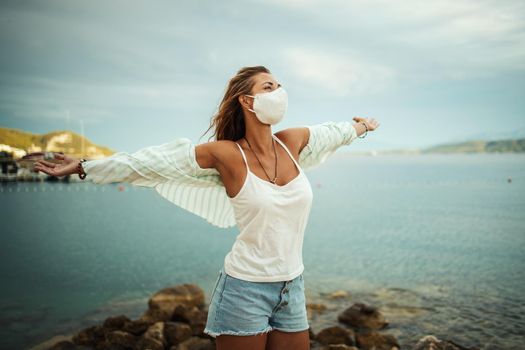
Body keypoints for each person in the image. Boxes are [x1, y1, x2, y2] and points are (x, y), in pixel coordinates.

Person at [34, 65, 380, 350]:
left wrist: (360, 126)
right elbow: (152, 163)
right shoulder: (227, 154)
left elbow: (333, 132)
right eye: (269, 86)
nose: (280, 92)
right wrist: (84, 165)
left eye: (280, 85)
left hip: (293, 286)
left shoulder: (293, 141)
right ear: (247, 100)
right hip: (245, 289)